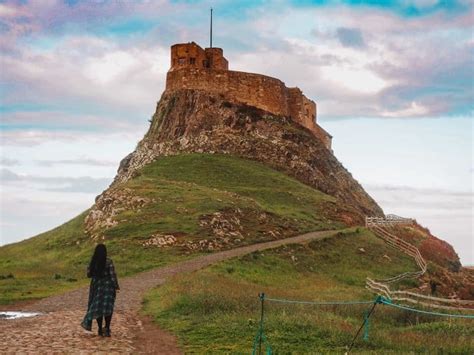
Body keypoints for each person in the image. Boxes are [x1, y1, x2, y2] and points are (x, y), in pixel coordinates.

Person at [81, 244, 120, 337]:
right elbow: (112, 275)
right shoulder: (109, 261)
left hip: (96, 286)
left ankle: (99, 329)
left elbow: (88, 275)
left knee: (98, 307)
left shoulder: (93, 262)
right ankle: (106, 328)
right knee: (107, 307)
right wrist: (116, 286)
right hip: (107, 287)